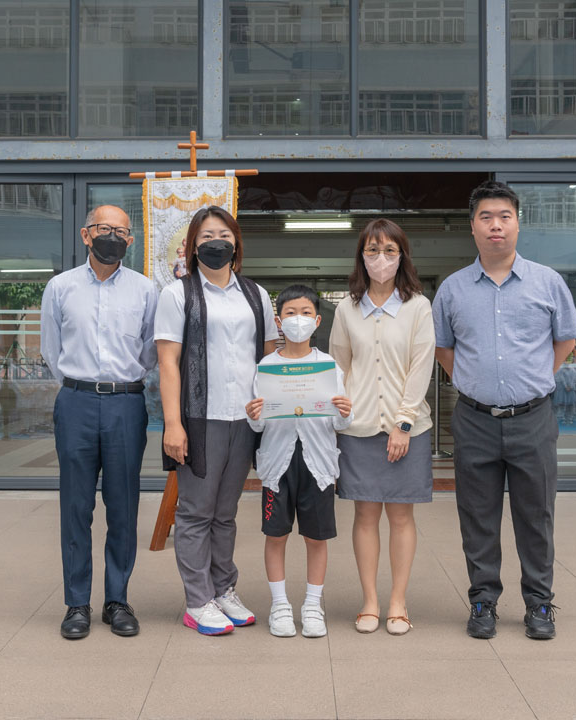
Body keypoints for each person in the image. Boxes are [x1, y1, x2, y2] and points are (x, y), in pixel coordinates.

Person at [432, 180, 576, 641]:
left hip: (533, 419)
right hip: (474, 419)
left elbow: (566, 340)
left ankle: (539, 603)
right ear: (472, 226)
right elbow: (444, 348)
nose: (495, 225)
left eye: (504, 217)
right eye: (486, 217)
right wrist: (473, 383)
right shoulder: (453, 289)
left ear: (518, 224)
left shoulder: (547, 282)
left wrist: (534, 379)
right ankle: (483, 601)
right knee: (476, 516)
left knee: (536, 516)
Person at [155, 206, 278, 636]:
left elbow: (270, 358)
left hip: (244, 418)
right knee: (195, 513)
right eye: (206, 236)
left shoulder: (255, 294)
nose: (216, 242)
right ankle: (197, 600)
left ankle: (224, 589)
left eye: (224, 234)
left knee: (225, 513)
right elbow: (168, 363)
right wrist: (173, 424)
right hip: (198, 419)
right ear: (192, 246)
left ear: (236, 243)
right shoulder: (178, 294)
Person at [41, 204, 158, 640]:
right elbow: (51, 349)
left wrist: (123, 382)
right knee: (76, 506)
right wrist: (79, 386)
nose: (112, 236)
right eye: (103, 228)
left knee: (123, 505)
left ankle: (117, 601)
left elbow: (150, 349)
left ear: (131, 240)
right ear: (86, 234)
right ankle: (76, 603)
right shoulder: (61, 287)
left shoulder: (145, 289)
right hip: (76, 401)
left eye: (121, 231)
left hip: (126, 403)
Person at [328, 218, 435, 636]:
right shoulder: (346, 308)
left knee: (402, 515)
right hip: (359, 428)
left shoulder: (417, 306)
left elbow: (421, 366)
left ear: (402, 256)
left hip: (406, 429)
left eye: (390, 250)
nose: (381, 258)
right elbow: (339, 366)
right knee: (365, 513)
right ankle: (370, 601)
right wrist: (339, 413)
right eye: (373, 250)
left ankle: (398, 602)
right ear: (362, 256)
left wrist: (403, 423)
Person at [245, 285, 352, 638]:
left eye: (305, 313)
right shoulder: (267, 367)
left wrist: (345, 412)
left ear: (317, 321)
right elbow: (258, 424)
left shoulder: (328, 366)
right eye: (290, 313)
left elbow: (340, 423)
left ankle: (312, 605)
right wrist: (254, 415)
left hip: (317, 464)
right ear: (279, 321)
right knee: (276, 535)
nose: (298, 320)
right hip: (277, 465)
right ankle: (279, 606)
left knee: (316, 538)